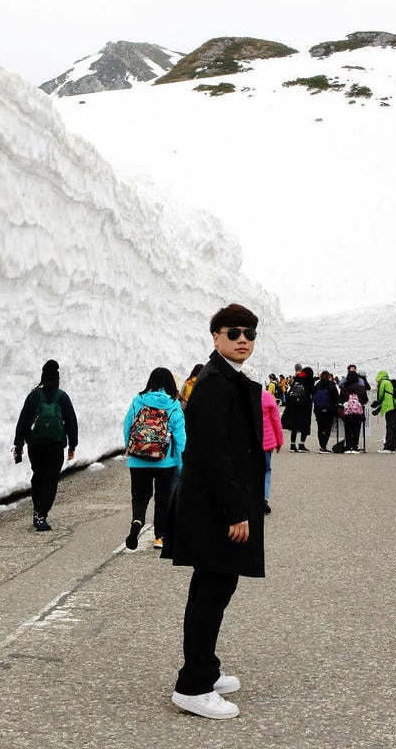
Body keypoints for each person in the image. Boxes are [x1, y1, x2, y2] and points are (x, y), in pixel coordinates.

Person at [163, 303, 265, 720]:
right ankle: (193, 685)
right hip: (213, 510)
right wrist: (235, 511)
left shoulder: (225, 379)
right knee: (211, 593)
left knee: (213, 589)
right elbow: (213, 454)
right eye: (234, 332)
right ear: (216, 336)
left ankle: (205, 668)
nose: (243, 339)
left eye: (250, 334)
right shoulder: (213, 384)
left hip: (215, 506)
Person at [123, 367, 187, 550]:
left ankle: (137, 521)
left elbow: (127, 425)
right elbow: (181, 439)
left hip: (137, 460)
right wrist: (181, 466)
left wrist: (131, 447)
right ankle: (160, 536)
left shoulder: (138, 400)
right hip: (165, 463)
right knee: (163, 498)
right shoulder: (174, 405)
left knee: (140, 496)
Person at [13, 359, 78, 531]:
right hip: (55, 446)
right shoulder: (62, 397)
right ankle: (42, 514)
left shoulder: (33, 396)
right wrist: (73, 445)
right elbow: (71, 422)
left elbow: (23, 421)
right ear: (57, 379)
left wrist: (18, 445)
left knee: (38, 476)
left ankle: (37, 511)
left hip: (35, 445)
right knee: (50, 480)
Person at [259, 384, 283, 512]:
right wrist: (279, 441)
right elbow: (276, 420)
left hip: (247, 443)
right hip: (266, 441)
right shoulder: (266, 396)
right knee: (266, 470)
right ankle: (264, 498)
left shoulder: (237, 395)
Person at [280, 365, 314, 452]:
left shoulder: (296, 381)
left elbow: (288, 394)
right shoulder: (309, 381)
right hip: (305, 406)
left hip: (294, 406)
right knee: (305, 425)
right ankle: (301, 445)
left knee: (294, 427)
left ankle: (292, 445)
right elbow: (312, 392)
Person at [372, 370, 396, 453]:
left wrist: (376, 404)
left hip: (390, 408)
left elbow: (380, 396)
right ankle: (393, 447)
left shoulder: (384, 383)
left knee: (390, 426)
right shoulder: (391, 383)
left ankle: (387, 448)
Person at [338, 370, 368, 453]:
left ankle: (348, 447)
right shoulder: (361, 387)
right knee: (356, 430)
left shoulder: (344, 388)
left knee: (348, 429)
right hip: (358, 413)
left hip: (347, 412)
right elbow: (365, 400)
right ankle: (355, 447)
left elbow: (340, 399)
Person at [311, 370, 339, 453]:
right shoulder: (331, 385)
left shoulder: (317, 385)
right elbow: (336, 397)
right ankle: (324, 446)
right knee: (327, 428)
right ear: (328, 376)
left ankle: (321, 445)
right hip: (329, 410)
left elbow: (313, 397)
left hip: (318, 410)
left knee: (320, 428)